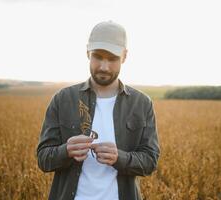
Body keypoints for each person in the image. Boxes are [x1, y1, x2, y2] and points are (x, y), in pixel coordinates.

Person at [37, 20, 160, 200]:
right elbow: (43, 159)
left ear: (125, 56)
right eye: (98, 57)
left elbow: (150, 161)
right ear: (87, 52)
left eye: (112, 59)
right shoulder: (62, 99)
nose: (104, 67)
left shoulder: (142, 104)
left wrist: (120, 158)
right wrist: (66, 151)